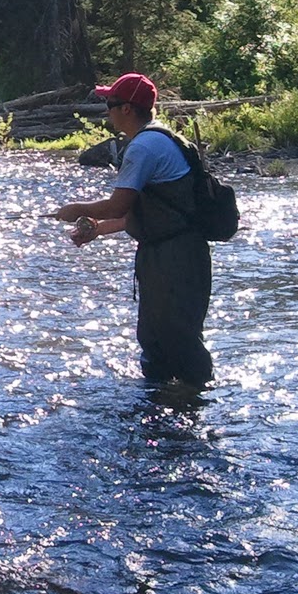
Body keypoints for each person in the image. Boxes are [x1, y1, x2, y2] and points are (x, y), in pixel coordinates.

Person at [54, 72, 213, 385]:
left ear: (126, 108)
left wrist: (77, 210)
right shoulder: (160, 138)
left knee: (179, 338)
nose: (107, 112)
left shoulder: (143, 148)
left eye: (110, 104)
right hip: (174, 252)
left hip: (175, 257)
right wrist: (98, 229)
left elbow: (118, 206)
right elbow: (150, 212)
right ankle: (164, 402)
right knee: (155, 339)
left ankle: (193, 401)